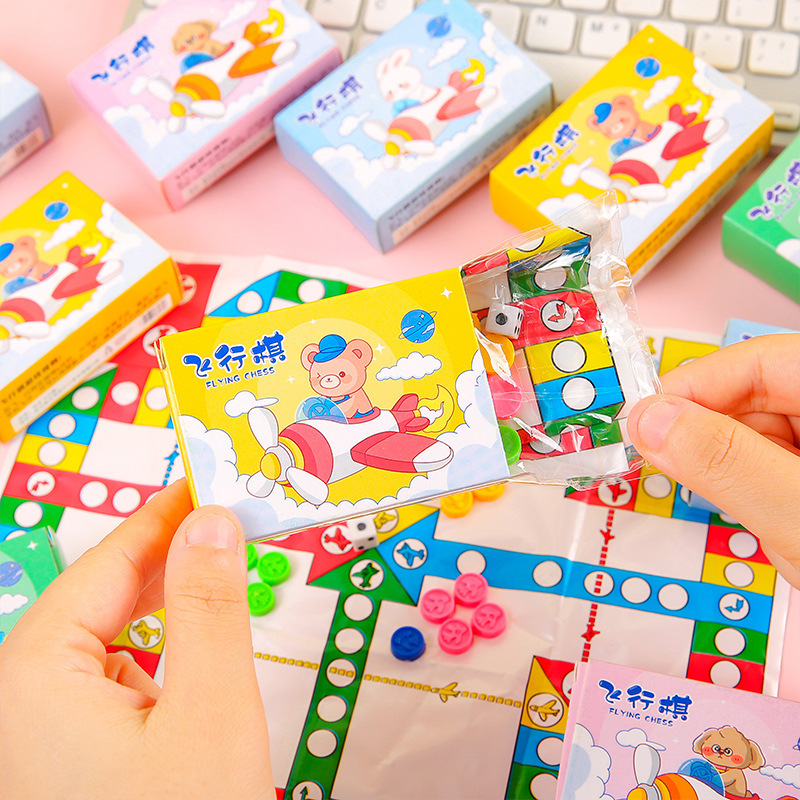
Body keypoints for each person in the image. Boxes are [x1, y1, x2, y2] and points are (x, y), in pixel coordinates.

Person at [0, 334, 796, 798]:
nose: (334, 380)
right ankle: (293, 459)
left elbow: (391, 422)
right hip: (324, 452)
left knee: (387, 447)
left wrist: (407, 420)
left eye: (342, 372)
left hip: (370, 447)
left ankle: (340, 460)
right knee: (321, 449)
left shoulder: (374, 399)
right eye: (325, 376)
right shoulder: (317, 407)